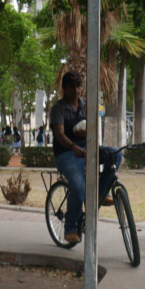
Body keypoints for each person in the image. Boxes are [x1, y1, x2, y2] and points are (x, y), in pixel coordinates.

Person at [50, 71, 122, 245]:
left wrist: (89, 133)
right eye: (71, 87)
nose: (76, 90)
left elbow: (94, 126)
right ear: (64, 89)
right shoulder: (58, 109)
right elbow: (59, 133)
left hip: (87, 149)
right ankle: (70, 229)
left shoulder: (86, 104)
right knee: (79, 188)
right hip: (66, 154)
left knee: (116, 154)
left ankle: (99, 192)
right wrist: (73, 146)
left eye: (78, 86)